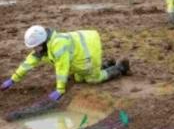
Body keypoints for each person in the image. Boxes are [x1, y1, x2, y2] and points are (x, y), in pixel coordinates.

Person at [0, 25, 129, 100]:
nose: (34, 49)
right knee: (79, 78)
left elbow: (62, 68)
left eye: (36, 46)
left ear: (42, 42)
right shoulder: (45, 46)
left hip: (88, 53)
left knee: (93, 79)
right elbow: (28, 63)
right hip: (82, 53)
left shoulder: (58, 45)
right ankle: (106, 64)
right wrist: (13, 79)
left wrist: (60, 90)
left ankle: (120, 67)